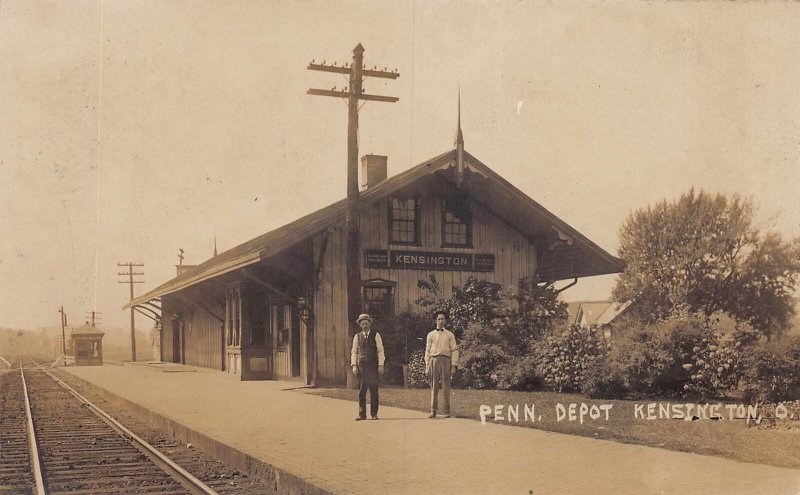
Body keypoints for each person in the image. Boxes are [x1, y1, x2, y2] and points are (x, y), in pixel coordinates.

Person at [425, 311, 459, 418]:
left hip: (446, 360)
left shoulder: (450, 335)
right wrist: (427, 365)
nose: (441, 321)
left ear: (445, 321)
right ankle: (433, 410)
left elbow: (454, 350)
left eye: (443, 319)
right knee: (434, 386)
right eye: (439, 319)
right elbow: (427, 350)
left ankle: (446, 411)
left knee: (446, 386)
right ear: (435, 320)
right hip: (434, 360)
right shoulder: (430, 334)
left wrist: (453, 365)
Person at [351, 313, 385, 420]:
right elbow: (354, 352)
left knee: (374, 390)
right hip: (362, 367)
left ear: (369, 324)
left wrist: (380, 365)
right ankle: (362, 414)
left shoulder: (376, 335)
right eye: (363, 324)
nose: (365, 325)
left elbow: (380, 351)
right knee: (362, 391)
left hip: (373, 366)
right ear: (360, 325)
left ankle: (374, 414)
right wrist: (354, 365)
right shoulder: (357, 336)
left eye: (366, 323)